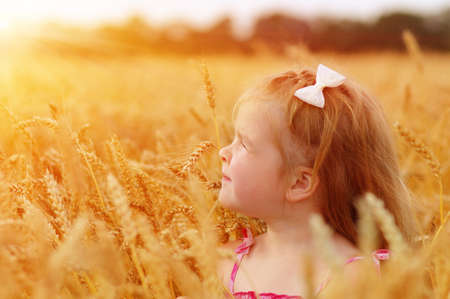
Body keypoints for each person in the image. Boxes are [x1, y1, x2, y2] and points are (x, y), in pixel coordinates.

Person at [178, 64, 417, 299]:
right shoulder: (226, 260)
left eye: (244, 144)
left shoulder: (350, 278)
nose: (223, 152)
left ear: (299, 183)